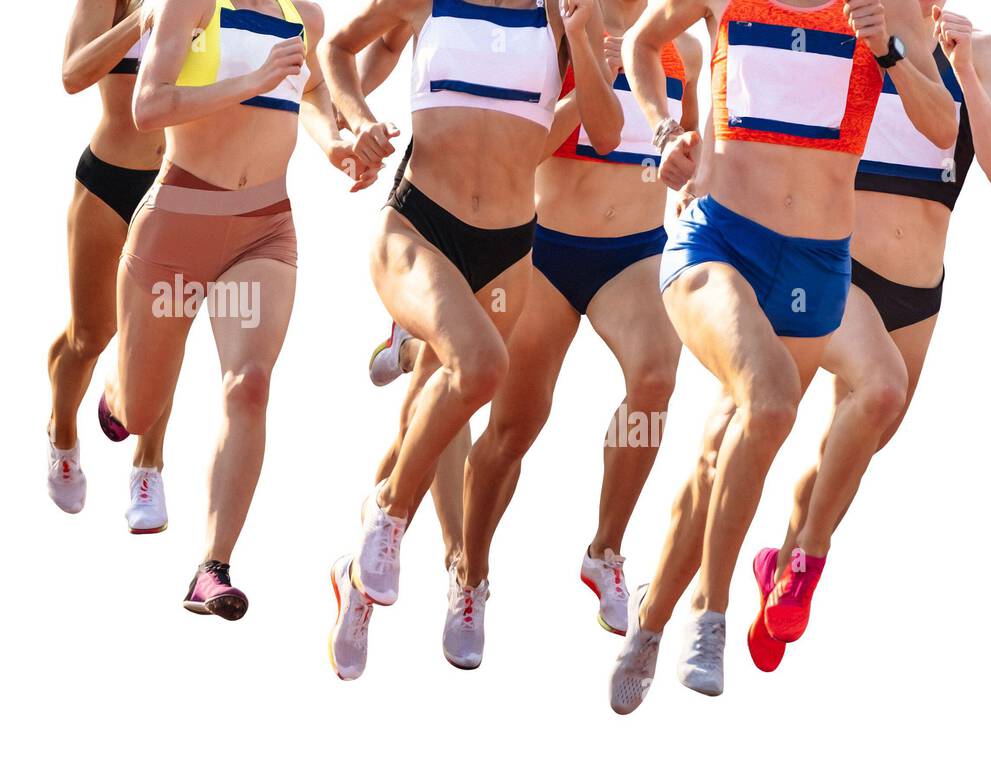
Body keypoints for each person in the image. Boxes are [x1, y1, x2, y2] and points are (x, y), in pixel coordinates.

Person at [608, 0, 958, 714]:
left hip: (817, 269)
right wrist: (665, 128)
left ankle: (649, 620)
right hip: (719, 242)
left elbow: (944, 127)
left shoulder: (881, 8)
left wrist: (889, 51)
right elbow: (643, 44)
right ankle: (711, 613)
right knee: (769, 402)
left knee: (722, 458)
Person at [322, 0, 619, 679]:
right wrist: (361, 121)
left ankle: (359, 582)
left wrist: (581, 40)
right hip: (418, 225)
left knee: (432, 407)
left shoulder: (563, 12)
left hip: (510, 248)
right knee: (481, 367)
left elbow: (603, 133)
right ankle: (390, 519)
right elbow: (337, 51)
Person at [746, 1, 991, 671]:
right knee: (881, 393)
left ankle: (781, 567)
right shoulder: (851, 22)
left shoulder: (983, 50)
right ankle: (808, 560)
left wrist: (967, 75)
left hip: (921, 291)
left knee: (857, 440)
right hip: (840, 266)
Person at [439, 0, 700, 670]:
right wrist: (587, 69)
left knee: (655, 378)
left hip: (635, 252)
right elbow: (518, 147)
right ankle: (470, 577)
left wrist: (692, 167)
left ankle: (604, 552)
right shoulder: (552, 30)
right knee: (513, 430)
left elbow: (699, 151)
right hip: (546, 249)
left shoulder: (686, 50)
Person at [101, 0, 375, 620]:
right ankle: (116, 393)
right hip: (177, 225)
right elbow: (148, 107)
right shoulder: (189, 5)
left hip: (263, 231)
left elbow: (307, 93)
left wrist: (336, 144)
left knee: (249, 385)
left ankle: (212, 567)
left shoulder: (303, 13)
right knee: (139, 412)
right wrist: (249, 83)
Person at [51, 0, 172, 533]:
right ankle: (61, 435)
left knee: (163, 335)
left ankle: (149, 466)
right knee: (89, 336)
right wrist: (139, 21)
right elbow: (73, 74)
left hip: (177, 187)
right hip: (106, 184)